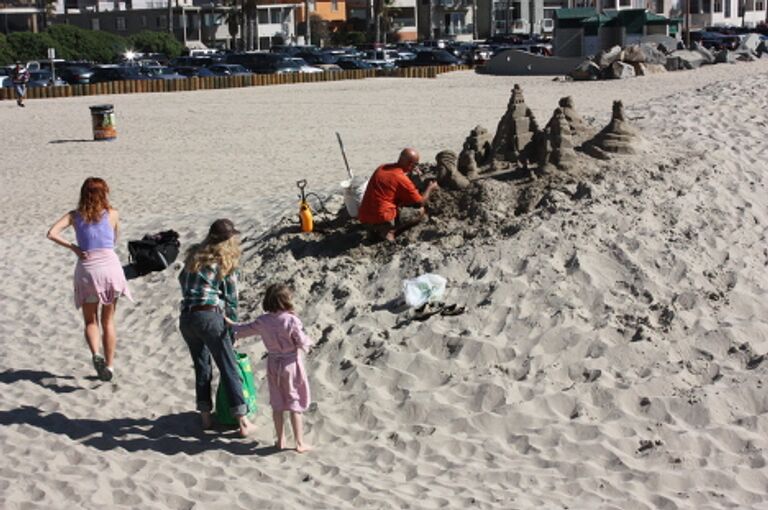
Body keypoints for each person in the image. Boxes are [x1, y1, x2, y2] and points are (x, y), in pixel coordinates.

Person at [47, 177, 132, 382]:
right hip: (110, 268)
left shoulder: (74, 216)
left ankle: (96, 354)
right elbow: (114, 239)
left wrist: (74, 247)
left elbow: (51, 233)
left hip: (87, 269)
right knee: (108, 320)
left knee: (90, 320)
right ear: (104, 194)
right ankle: (110, 367)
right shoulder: (112, 213)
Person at [178, 219, 253, 436]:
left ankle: (205, 417)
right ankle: (242, 421)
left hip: (187, 317)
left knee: (202, 366)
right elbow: (231, 300)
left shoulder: (193, 258)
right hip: (209, 316)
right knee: (228, 365)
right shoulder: (224, 262)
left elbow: (182, 282)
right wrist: (232, 328)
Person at [227, 283, 313, 452]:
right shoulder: (291, 320)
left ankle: (280, 440)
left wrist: (231, 324)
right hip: (290, 363)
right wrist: (309, 342)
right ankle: (299, 443)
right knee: (294, 402)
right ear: (286, 301)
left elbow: (243, 330)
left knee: (277, 402)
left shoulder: (263, 321)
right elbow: (301, 341)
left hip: (273, 363)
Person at [357, 148, 439, 241]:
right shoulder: (401, 178)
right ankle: (390, 231)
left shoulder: (382, 168)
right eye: (416, 164)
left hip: (364, 217)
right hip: (383, 218)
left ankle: (374, 230)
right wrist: (431, 187)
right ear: (410, 164)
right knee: (420, 211)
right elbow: (420, 202)